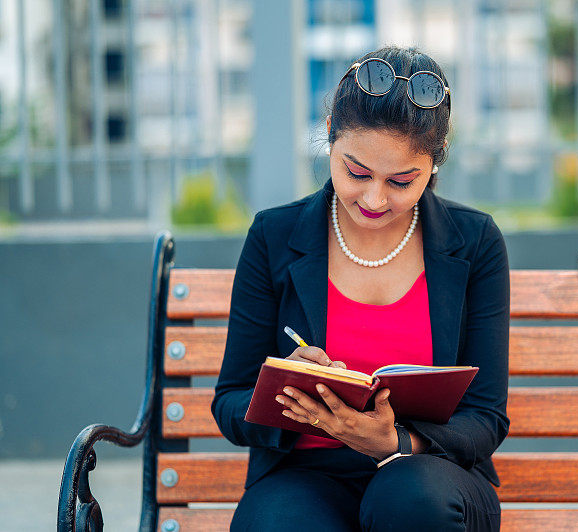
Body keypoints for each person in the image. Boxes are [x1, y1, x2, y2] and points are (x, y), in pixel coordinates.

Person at [211, 45, 510, 532]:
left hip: (431, 474)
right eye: (356, 172)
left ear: (434, 165)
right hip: (303, 474)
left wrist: (393, 442)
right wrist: (288, 397)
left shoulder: (474, 243)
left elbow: (486, 417)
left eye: (401, 181)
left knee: (410, 499)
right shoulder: (274, 237)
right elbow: (229, 402)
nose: (373, 198)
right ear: (329, 137)